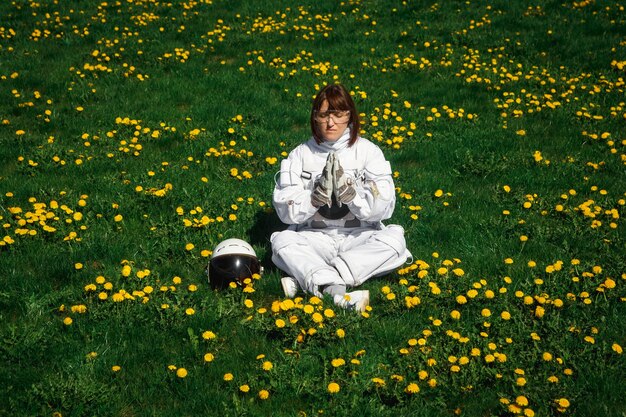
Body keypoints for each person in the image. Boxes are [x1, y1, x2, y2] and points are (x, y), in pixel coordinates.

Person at [270, 83, 411, 312]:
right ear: (315, 117)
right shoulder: (300, 154)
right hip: (315, 237)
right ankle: (336, 287)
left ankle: (313, 279)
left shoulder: (368, 151)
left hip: (359, 235)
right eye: (324, 114)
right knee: (281, 241)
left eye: (338, 114)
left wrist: (353, 196)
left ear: (350, 116)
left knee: (395, 241)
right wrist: (313, 198)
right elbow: (285, 213)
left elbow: (385, 207)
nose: (331, 122)